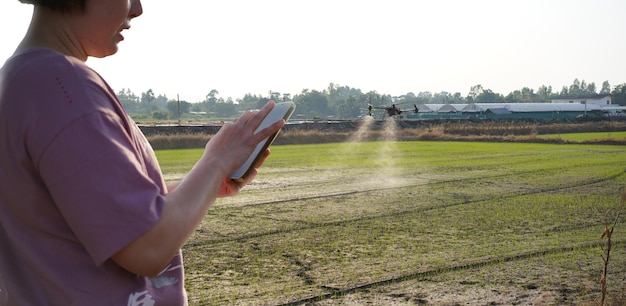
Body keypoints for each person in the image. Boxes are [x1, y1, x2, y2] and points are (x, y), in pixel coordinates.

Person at [0, 0, 285, 305]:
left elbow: (93, 213)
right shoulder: (65, 88)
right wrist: (216, 162)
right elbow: (145, 248)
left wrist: (203, 187)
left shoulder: (20, 80)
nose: (137, 9)